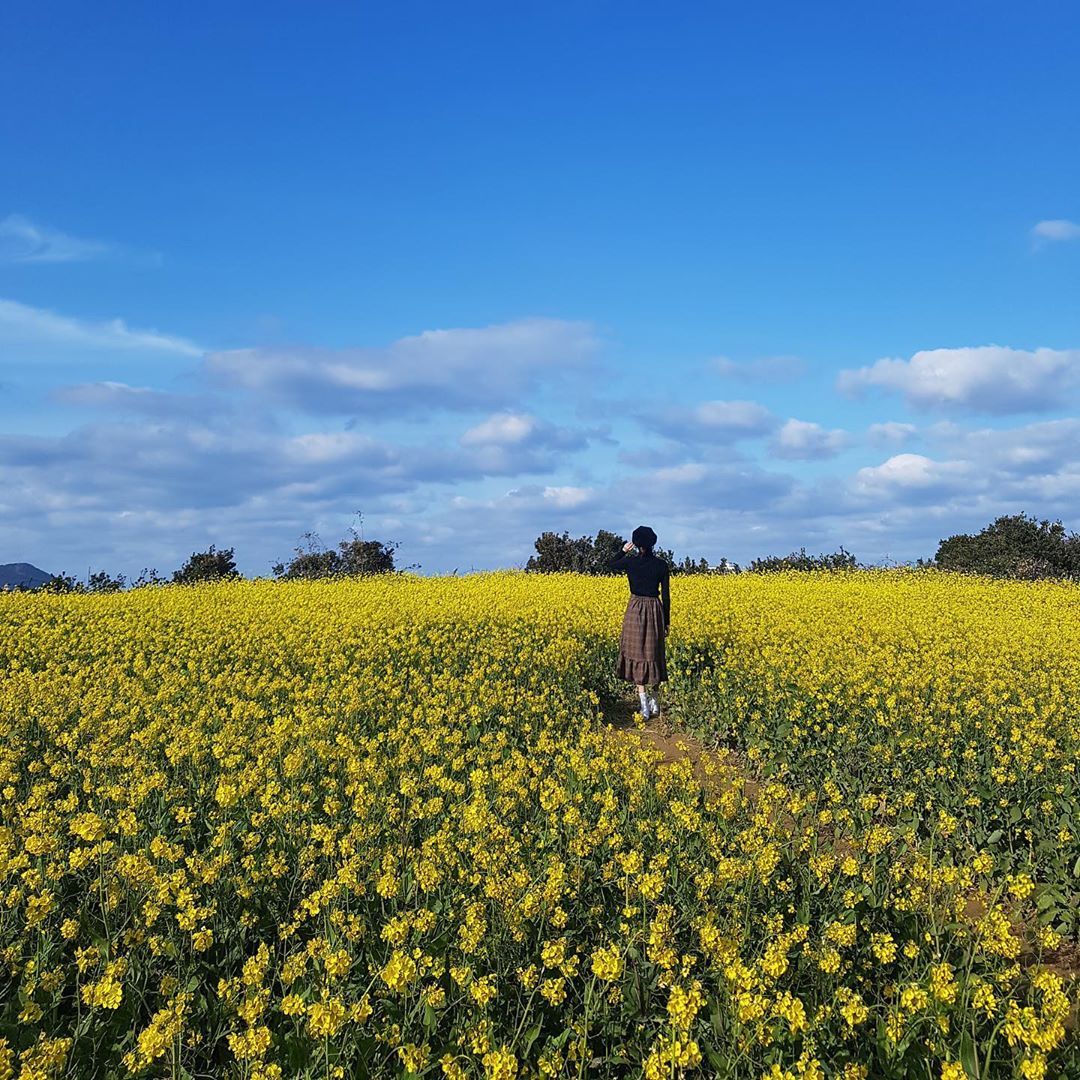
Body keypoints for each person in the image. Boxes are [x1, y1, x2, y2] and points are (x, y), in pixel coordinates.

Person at [608, 525, 670, 719]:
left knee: (637, 654)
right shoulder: (661, 564)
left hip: (635, 610)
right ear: (653, 543)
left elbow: (610, 563)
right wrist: (666, 621)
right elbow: (666, 596)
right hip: (655, 609)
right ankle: (655, 701)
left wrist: (622, 550)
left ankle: (643, 705)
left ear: (636, 544)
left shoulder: (630, 563)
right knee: (654, 653)